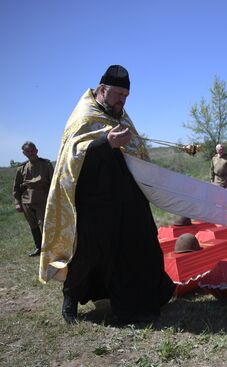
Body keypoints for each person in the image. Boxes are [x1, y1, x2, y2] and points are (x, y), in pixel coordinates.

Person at [39, 65, 175, 324]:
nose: (122, 101)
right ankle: (70, 296)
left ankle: (144, 300)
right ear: (102, 90)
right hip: (96, 200)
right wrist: (106, 143)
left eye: (126, 96)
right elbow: (72, 159)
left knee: (144, 244)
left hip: (129, 196)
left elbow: (137, 151)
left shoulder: (122, 117)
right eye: (118, 95)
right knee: (90, 254)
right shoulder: (83, 118)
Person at [12, 142, 54, 256]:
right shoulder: (22, 168)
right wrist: (17, 203)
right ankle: (38, 247)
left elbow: (53, 183)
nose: (30, 153)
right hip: (26, 200)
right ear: (24, 153)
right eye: (28, 151)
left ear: (36, 150)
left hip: (43, 199)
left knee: (44, 224)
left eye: (32, 150)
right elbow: (16, 187)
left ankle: (49, 249)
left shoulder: (46, 164)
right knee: (33, 225)